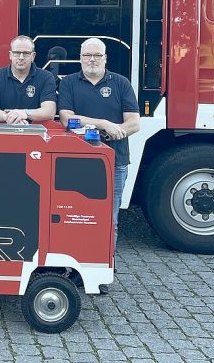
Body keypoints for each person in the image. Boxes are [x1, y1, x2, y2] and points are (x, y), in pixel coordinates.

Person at [57, 37, 139, 293]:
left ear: (106, 58)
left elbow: (134, 123)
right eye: (87, 55)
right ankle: (71, 268)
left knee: (108, 219)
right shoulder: (69, 83)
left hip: (114, 162)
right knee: (74, 216)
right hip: (76, 163)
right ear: (80, 58)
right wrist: (104, 124)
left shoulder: (121, 84)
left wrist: (119, 131)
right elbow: (66, 118)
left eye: (97, 55)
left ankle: (102, 270)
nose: (92, 60)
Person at [0, 35, 57, 125]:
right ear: (10, 55)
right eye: (17, 53)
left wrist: (25, 113)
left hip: (36, 133)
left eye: (25, 53)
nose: (21, 57)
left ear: (33, 56)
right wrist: (12, 118)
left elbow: (49, 111)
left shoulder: (46, 77)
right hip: (3, 131)